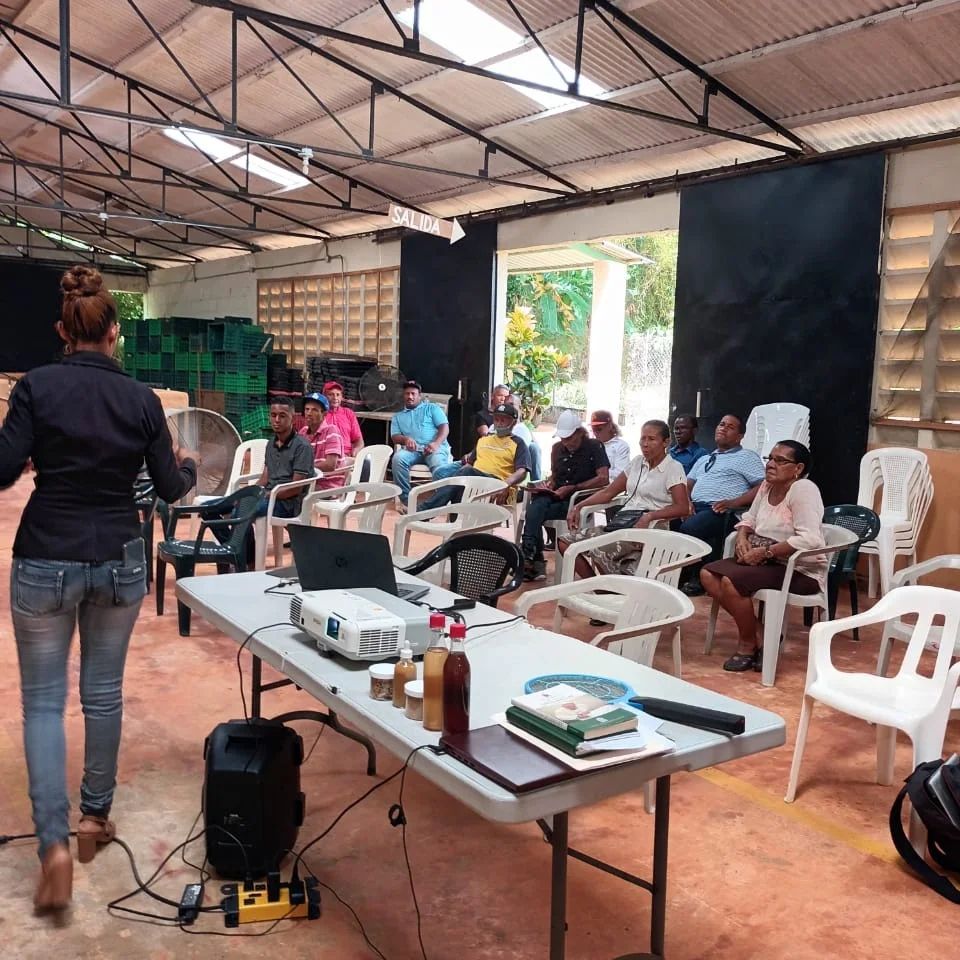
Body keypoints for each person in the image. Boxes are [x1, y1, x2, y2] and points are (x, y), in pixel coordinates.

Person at [0, 265, 197, 911]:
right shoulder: (143, 400)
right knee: (103, 695)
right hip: (118, 557)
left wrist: (29, 455)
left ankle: (53, 843)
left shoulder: (36, 387)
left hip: (46, 554)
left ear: (64, 330)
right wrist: (188, 464)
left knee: (43, 705)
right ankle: (94, 819)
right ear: (115, 332)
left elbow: (2, 471)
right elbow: (171, 489)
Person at [700, 441, 826, 673]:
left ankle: (747, 645)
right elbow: (750, 517)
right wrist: (741, 537)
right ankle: (763, 635)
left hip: (796, 567)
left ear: (797, 468)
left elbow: (811, 540)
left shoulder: (803, 490)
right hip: (765, 562)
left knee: (731, 582)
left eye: (780, 460)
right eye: (770, 458)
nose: (770, 464)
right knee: (708, 574)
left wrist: (767, 552)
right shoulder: (766, 486)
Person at [560, 420, 690, 580]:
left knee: (599, 549)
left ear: (666, 442)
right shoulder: (637, 462)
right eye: (643, 438)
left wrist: (650, 516)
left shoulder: (673, 468)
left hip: (650, 527)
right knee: (566, 543)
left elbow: (684, 508)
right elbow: (609, 492)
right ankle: (599, 589)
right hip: (623, 523)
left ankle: (607, 589)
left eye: (652, 439)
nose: (645, 444)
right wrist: (579, 506)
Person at [677, 413, 765, 595]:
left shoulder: (747, 457)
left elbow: (763, 487)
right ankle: (671, 573)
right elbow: (688, 485)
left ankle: (697, 577)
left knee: (692, 527)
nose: (723, 427)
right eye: (721, 424)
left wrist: (734, 502)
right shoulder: (704, 459)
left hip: (723, 511)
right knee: (669, 520)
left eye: (730, 427)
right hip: (696, 507)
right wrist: (686, 503)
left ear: (741, 436)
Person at [521, 409, 609, 582]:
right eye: (563, 439)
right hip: (557, 496)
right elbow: (555, 476)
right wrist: (549, 484)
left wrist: (574, 487)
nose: (566, 443)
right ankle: (530, 556)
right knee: (537, 502)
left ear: (580, 433)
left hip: (579, 500)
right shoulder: (557, 449)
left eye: (569, 438)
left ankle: (531, 558)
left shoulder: (594, 447)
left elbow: (603, 479)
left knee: (536, 511)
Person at [420, 403, 530, 509]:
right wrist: (456, 477)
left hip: (498, 483)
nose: (499, 423)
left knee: (465, 475)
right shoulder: (483, 440)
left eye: (503, 420)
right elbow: (469, 465)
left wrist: (506, 484)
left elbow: (522, 471)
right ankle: (457, 525)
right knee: (459, 484)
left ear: (513, 423)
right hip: (474, 482)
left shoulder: (518, 443)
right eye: (496, 420)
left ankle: (424, 510)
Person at [389, 380, 452, 505]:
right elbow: (395, 437)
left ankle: (439, 502)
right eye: (407, 394)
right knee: (398, 459)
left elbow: (444, 428)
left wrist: (435, 443)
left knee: (439, 466)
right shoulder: (398, 416)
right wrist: (405, 439)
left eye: (413, 393)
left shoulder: (432, 408)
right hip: (413, 451)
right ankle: (407, 502)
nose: (410, 397)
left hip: (434, 449)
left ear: (419, 395)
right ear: (403, 395)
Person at [255, 396, 314, 518]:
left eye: (282, 416)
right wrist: (249, 493)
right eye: (273, 415)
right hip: (268, 497)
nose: (276, 420)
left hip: (288, 504)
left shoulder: (302, 447)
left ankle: (238, 538)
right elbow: (265, 478)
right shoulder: (271, 444)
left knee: (243, 511)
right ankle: (237, 538)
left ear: (293, 419)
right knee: (213, 508)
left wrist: (268, 494)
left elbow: (295, 488)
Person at [299, 392, 346, 492]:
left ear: (324, 413)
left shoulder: (331, 431)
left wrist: (302, 469)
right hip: (308, 481)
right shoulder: (302, 432)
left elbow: (330, 465)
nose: (309, 413)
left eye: (314, 410)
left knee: (288, 494)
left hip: (327, 485)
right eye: (307, 409)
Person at [322, 380, 364, 459]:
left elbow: (359, 441)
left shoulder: (349, 413)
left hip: (347, 455)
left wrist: (355, 451)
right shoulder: (320, 414)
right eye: (331, 394)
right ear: (324, 396)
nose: (335, 398)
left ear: (341, 397)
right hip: (326, 456)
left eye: (338, 395)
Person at [590, 411, 631, 481]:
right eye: (594, 430)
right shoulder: (591, 445)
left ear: (609, 426)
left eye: (599, 429)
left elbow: (620, 473)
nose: (596, 433)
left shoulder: (621, 446)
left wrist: (597, 471)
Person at [509, 392, 541, 481]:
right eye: (506, 404)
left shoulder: (523, 429)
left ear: (520, 408)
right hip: (490, 459)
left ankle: (536, 484)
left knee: (534, 447)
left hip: (509, 462)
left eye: (511, 404)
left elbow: (519, 455)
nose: (508, 407)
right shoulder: (495, 425)